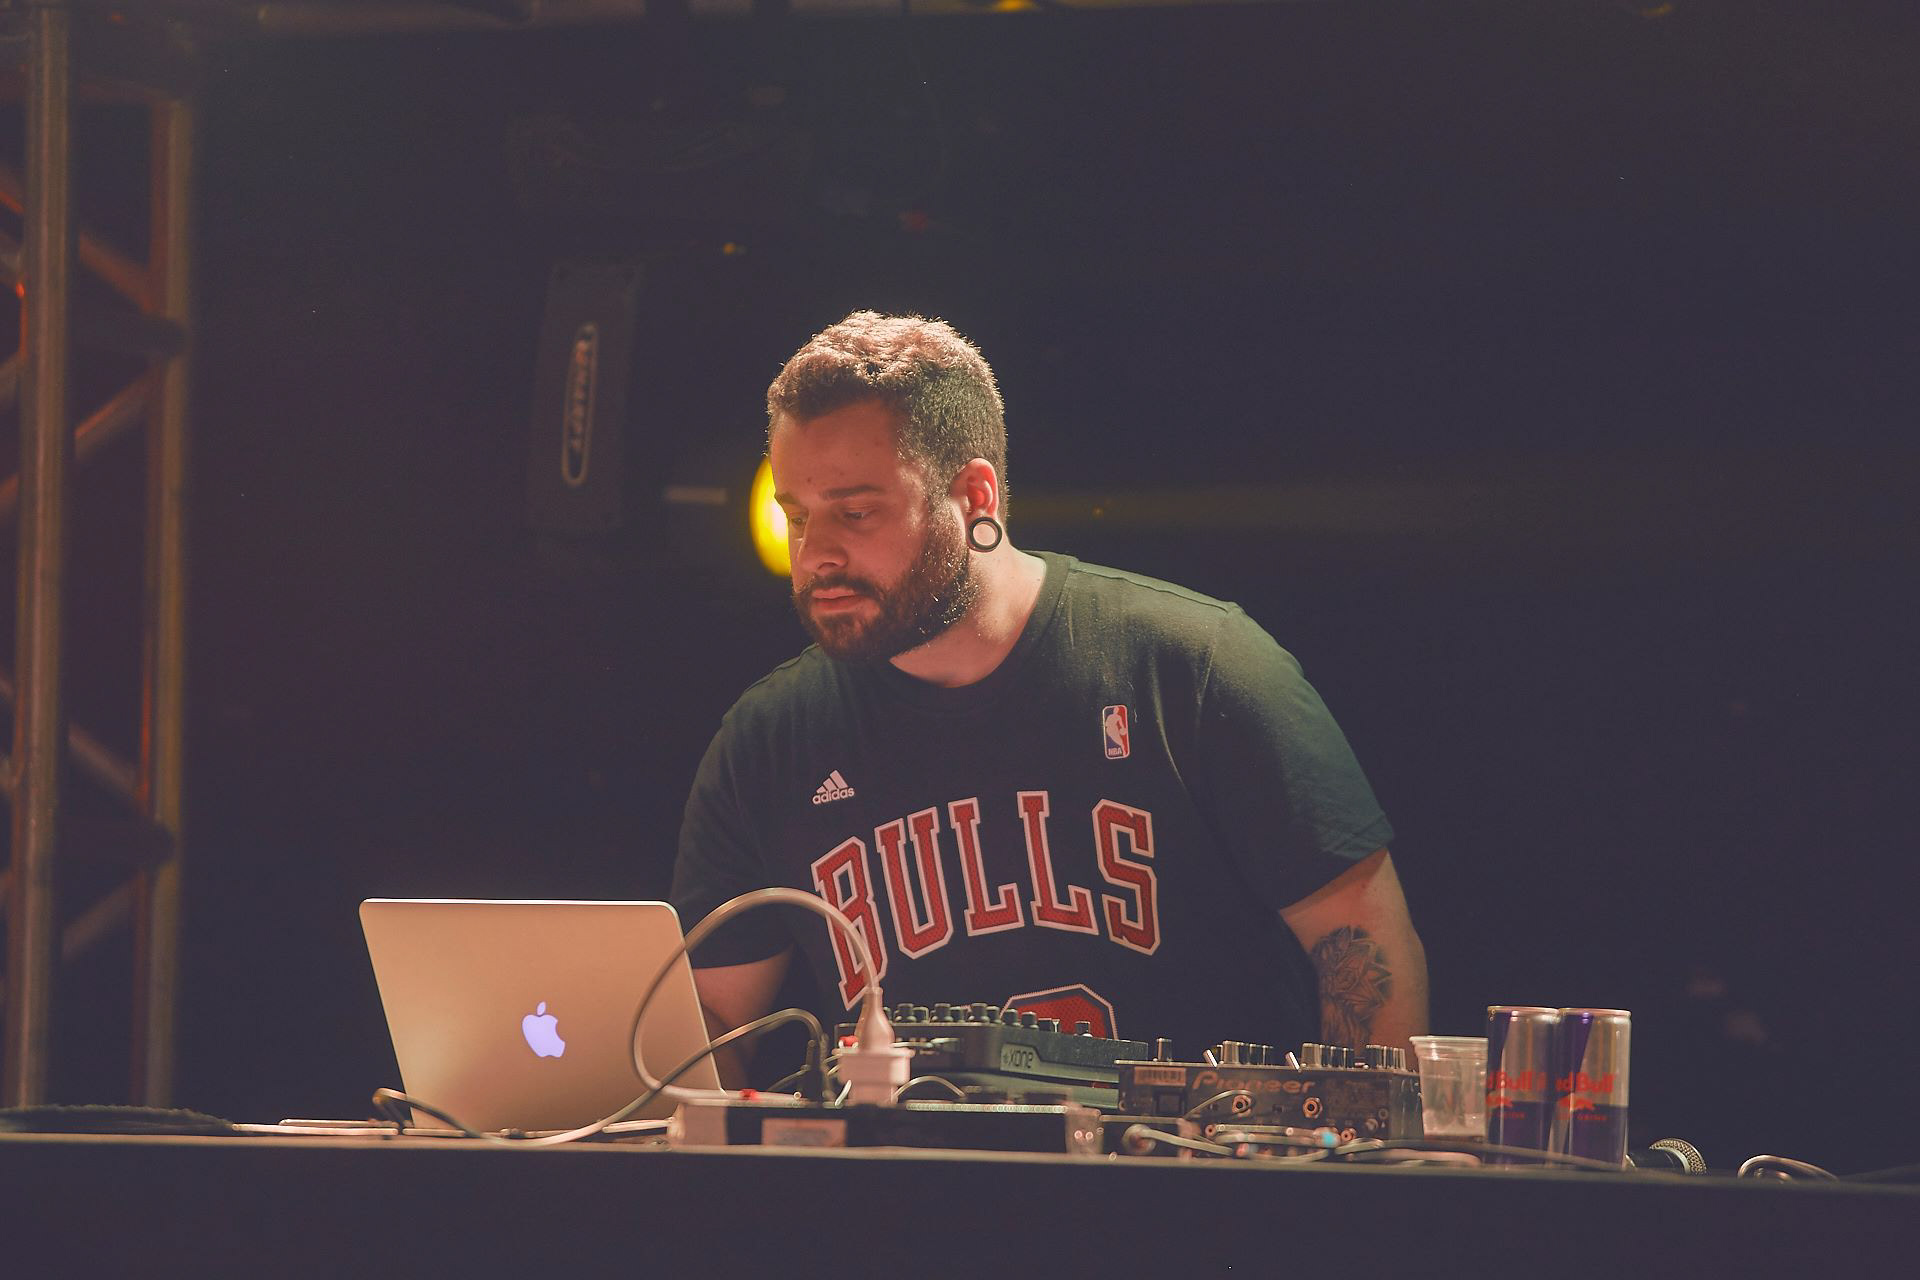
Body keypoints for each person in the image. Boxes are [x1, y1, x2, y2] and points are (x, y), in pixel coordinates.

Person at [671, 311, 1427, 1080]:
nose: (815, 555)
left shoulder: (1196, 669)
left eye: (856, 512)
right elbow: (712, 1027)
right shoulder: (769, 740)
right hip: (905, 1161)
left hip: (1187, 1156)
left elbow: (1361, 944)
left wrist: (1349, 1142)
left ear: (974, 496)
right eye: (797, 517)